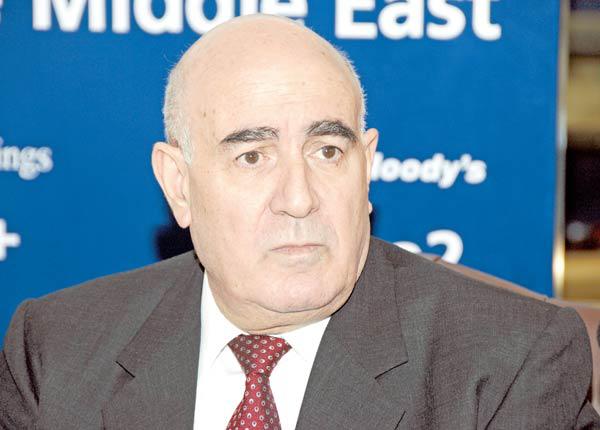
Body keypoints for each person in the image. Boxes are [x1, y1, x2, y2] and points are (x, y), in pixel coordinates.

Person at [1, 14, 598, 430]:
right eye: (252, 156)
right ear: (178, 184)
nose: (298, 198)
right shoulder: (53, 351)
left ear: (366, 169)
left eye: (328, 151)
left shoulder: (510, 364)